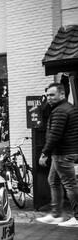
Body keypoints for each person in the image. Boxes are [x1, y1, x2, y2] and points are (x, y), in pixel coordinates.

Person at [36, 82, 78, 227]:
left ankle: (77, 217)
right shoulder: (67, 108)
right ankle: (56, 214)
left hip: (62, 153)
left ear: (62, 94)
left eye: (52, 94)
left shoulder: (60, 111)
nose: (49, 97)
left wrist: (44, 153)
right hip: (62, 152)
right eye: (47, 95)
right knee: (53, 181)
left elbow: (55, 135)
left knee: (70, 185)